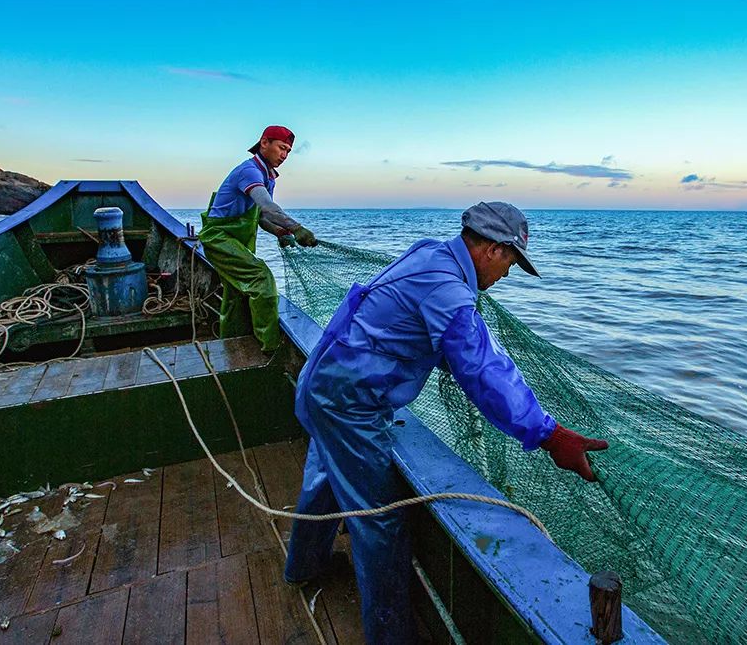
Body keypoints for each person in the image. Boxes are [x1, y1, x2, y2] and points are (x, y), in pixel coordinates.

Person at [284, 201, 610, 643]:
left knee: (323, 474)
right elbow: (483, 370)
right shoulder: (448, 289)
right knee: (378, 523)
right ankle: (392, 637)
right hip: (349, 404)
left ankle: (305, 565)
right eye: (512, 261)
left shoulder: (430, 251)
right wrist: (550, 435)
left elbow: (410, 326)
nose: (508, 274)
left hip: (326, 382)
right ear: (493, 250)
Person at [198, 125, 318, 350]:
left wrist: (281, 233)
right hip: (219, 237)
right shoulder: (250, 171)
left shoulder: (268, 177)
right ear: (265, 143)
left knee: (235, 292)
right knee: (261, 279)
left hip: (236, 239)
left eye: (289, 152)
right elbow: (268, 206)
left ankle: (233, 342)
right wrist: (297, 228)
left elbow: (262, 217)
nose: (284, 155)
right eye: (282, 148)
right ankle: (270, 346)